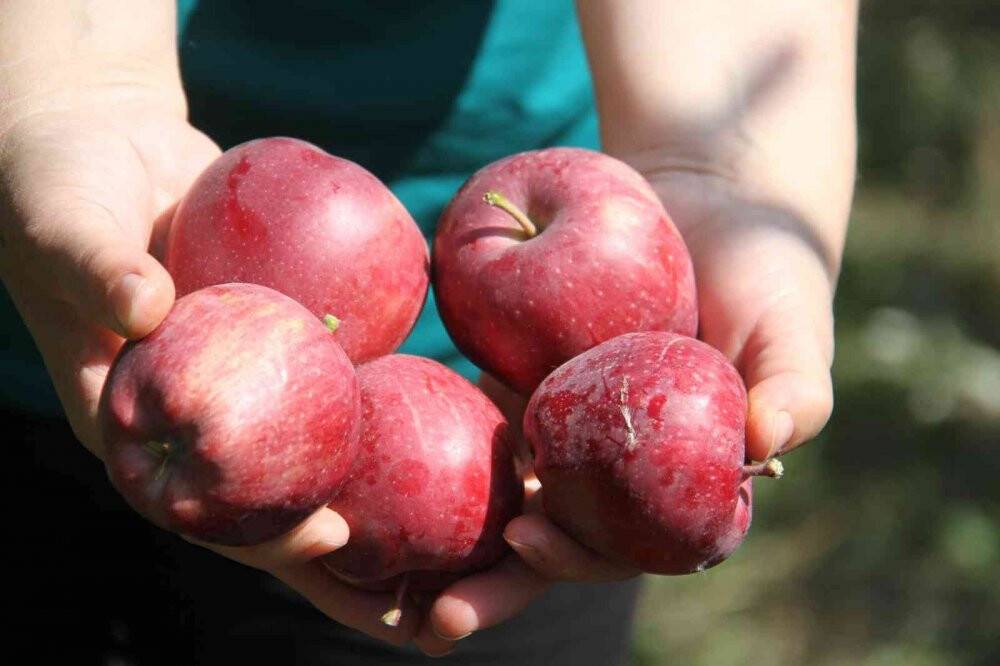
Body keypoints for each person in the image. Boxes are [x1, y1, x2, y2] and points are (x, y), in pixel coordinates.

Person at [1, 1, 858, 663]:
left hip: (499, 470)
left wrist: (720, 166)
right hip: (81, 295)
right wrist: (66, 93)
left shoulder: (561, 445)